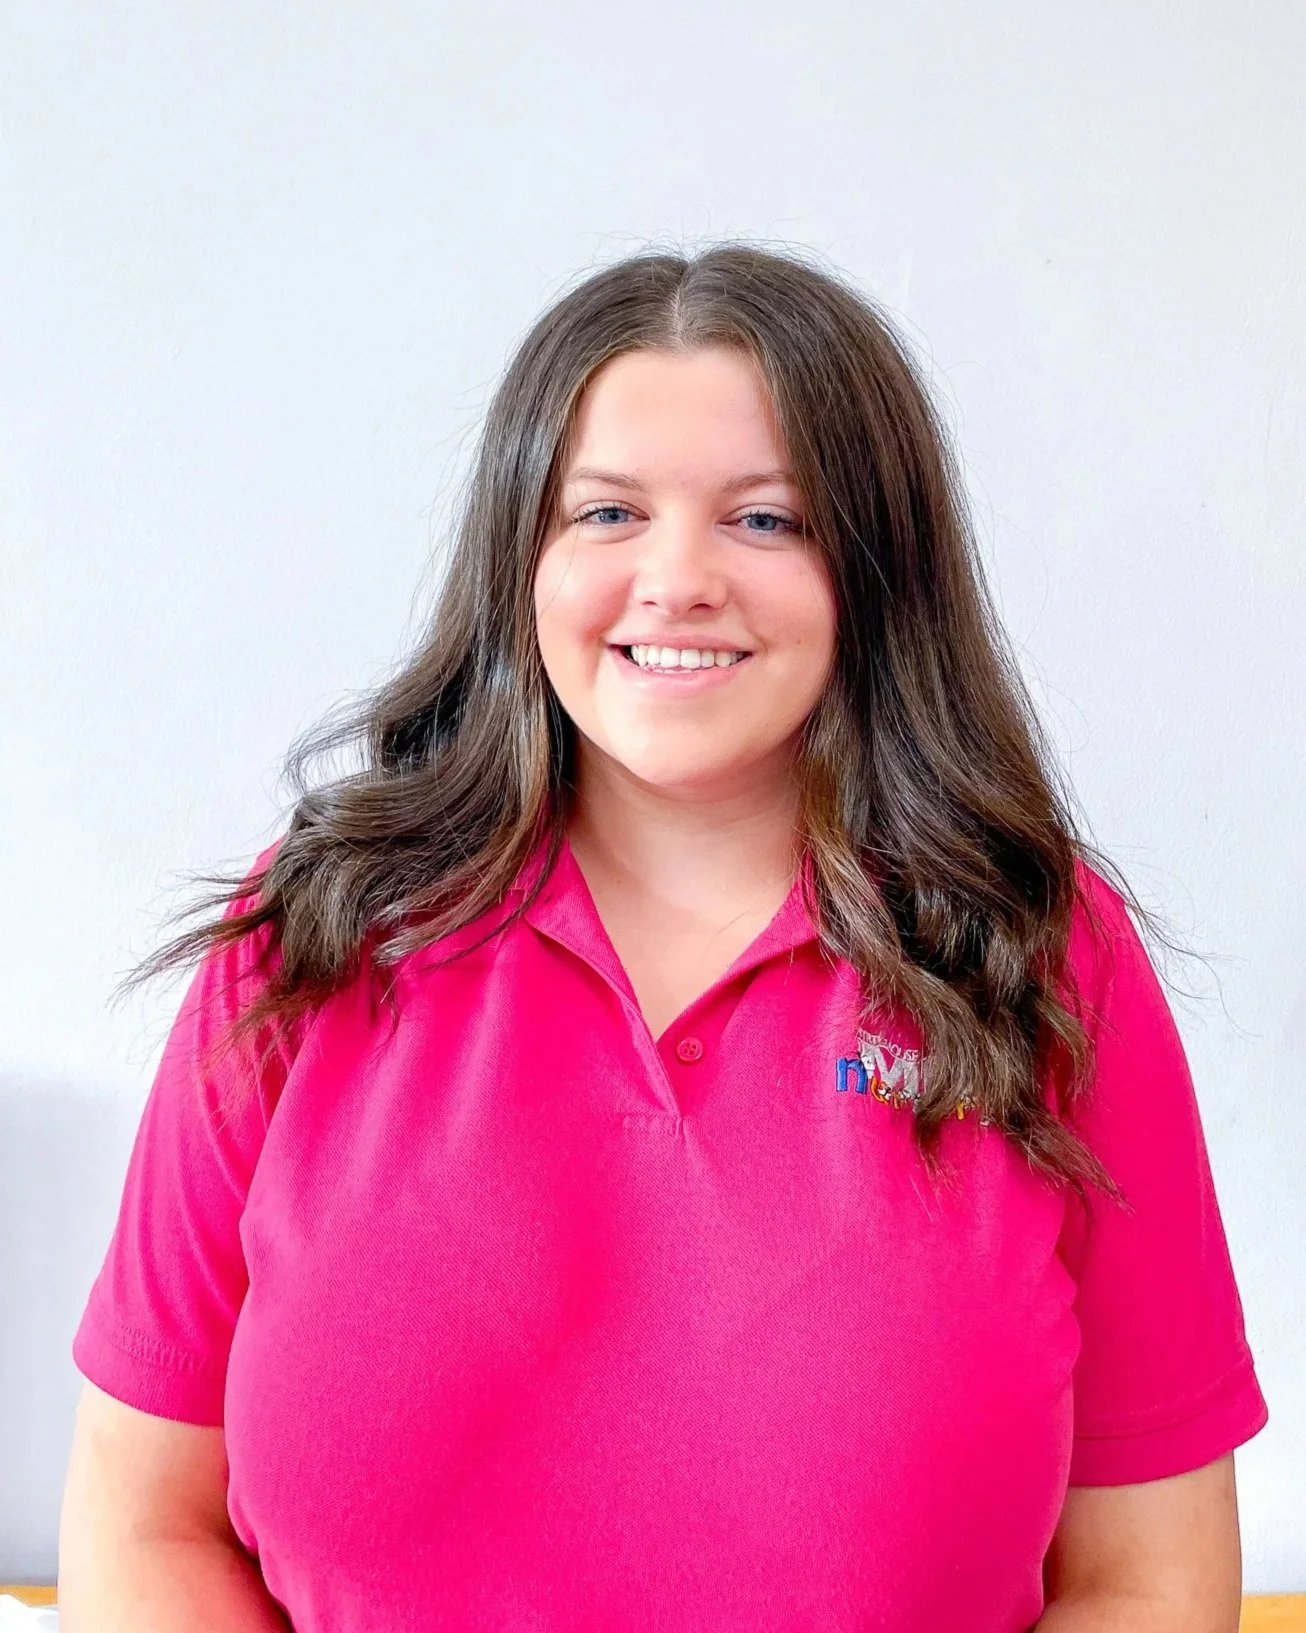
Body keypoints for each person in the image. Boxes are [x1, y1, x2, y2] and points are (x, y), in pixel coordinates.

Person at [59, 243, 1268, 1633]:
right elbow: (143, 1525)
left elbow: (1148, 1578)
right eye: (607, 513)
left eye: (765, 521)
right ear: (523, 554)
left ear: (876, 573)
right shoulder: (315, 937)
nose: (677, 579)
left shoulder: (1036, 954)